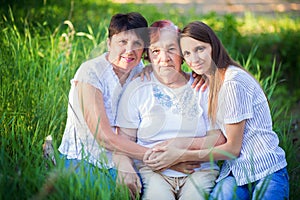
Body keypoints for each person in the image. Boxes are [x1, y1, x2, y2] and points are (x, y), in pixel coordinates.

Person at [144, 21, 289, 199]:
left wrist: (180, 154)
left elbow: (232, 148)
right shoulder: (210, 81)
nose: (194, 59)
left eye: (200, 49)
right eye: (187, 53)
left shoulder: (232, 82)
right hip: (234, 172)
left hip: (265, 169)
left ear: (213, 46)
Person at [114, 20, 224, 200]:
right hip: (153, 171)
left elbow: (219, 138)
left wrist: (180, 147)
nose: (164, 58)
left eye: (171, 49)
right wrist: (124, 168)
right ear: (148, 56)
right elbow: (123, 142)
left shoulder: (202, 87)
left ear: (182, 53)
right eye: (156, 51)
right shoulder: (137, 89)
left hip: (199, 170)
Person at [58, 12, 150, 197]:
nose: (129, 50)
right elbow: (104, 137)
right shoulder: (90, 73)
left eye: (137, 44)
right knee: (114, 193)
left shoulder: (140, 71)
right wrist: (158, 156)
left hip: (128, 152)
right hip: (88, 154)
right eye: (122, 42)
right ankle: (53, 159)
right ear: (109, 43)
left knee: (155, 187)